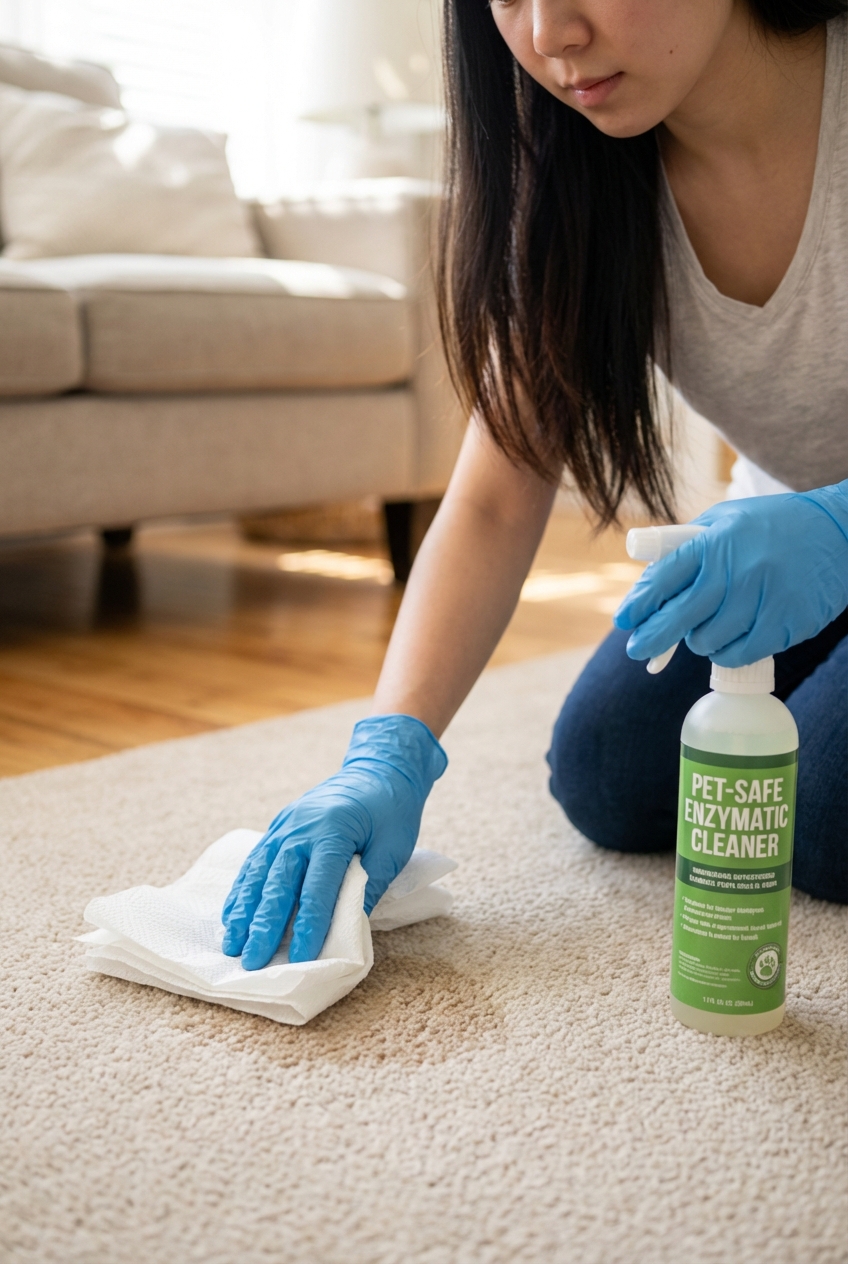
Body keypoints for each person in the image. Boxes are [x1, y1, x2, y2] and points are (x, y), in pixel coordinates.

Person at [222, 0, 848, 971]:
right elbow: (493, 495)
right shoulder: (581, 169)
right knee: (608, 773)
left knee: (822, 812)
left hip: (829, 532)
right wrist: (386, 751)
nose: (549, 34)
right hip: (791, 541)